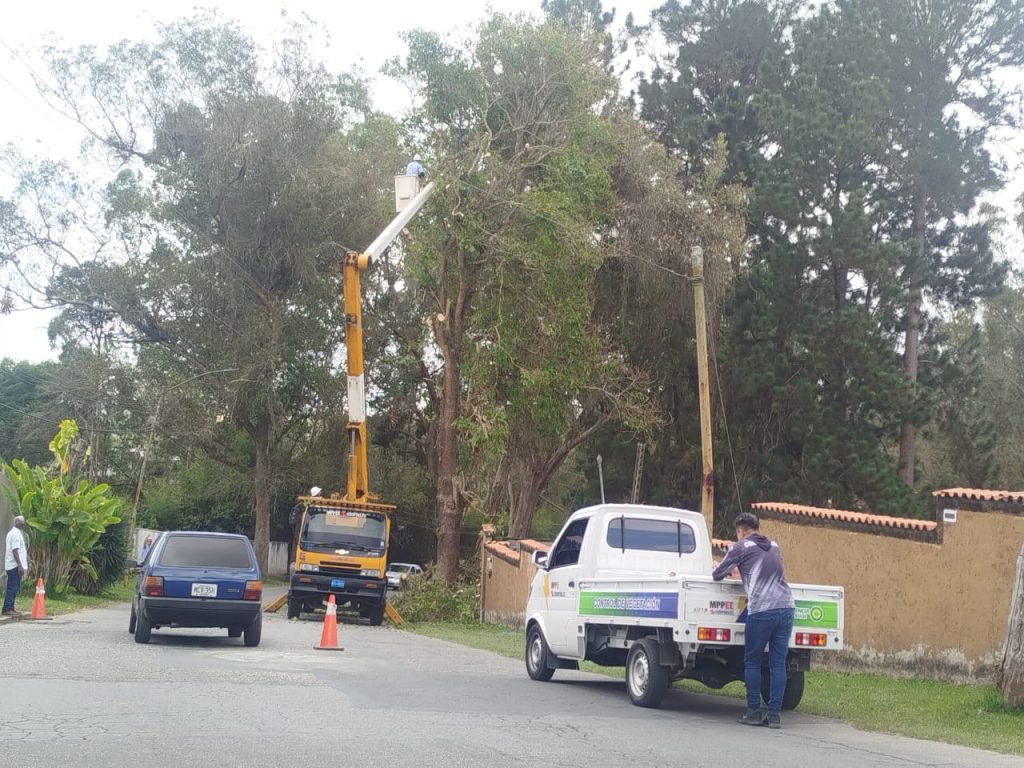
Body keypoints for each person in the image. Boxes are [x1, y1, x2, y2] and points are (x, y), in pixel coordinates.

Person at [712, 512, 795, 729]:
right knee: (778, 663)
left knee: (753, 661)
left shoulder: (739, 547)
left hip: (762, 610)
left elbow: (718, 574)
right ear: (756, 528)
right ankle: (774, 715)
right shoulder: (774, 545)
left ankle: (753, 712)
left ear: (740, 530)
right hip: (786, 607)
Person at [3, 515, 29, 617]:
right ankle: (7, 608)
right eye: (23, 523)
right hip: (14, 566)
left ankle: (11, 608)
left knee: (14, 587)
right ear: (20, 524)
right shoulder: (15, 534)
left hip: (13, 565)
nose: (24, 524)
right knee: (12, 587)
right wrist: (20, 566)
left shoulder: (14, 533)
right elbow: (15, 550)